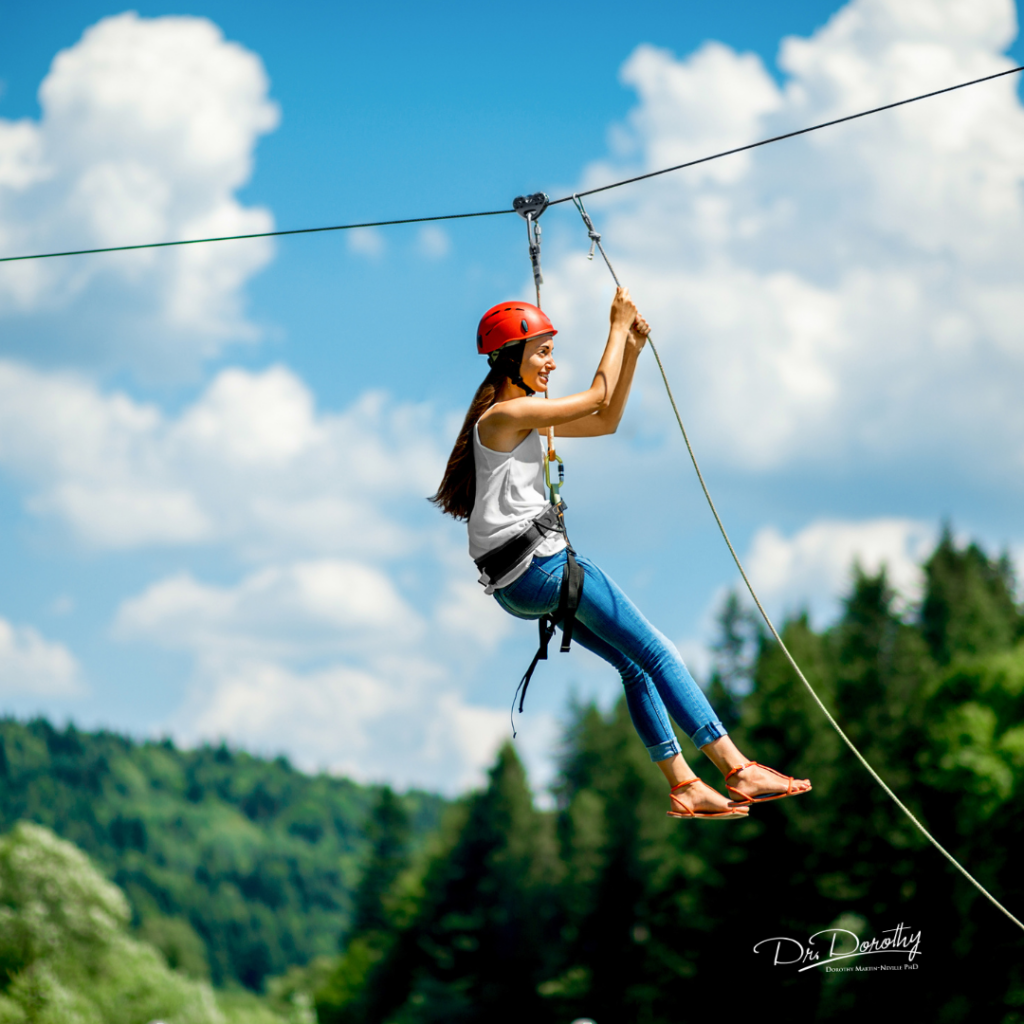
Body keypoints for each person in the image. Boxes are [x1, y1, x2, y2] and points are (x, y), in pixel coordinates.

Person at [431, 289, 811, 819]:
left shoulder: (521, 417)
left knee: (634, 666)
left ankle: (684, 784)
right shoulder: (506, 414)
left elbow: (604, 419)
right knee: (658, 651)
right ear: (510, 358)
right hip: (541, 570)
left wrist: (629, 351)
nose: (551, 361)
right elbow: (592, 397)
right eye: (541, 351)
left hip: (517, 584)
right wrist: (615, 325)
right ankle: (735, 766)